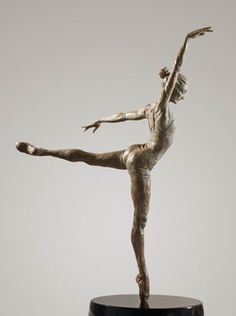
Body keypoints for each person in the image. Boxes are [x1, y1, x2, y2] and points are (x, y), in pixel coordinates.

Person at [16, 27, 212, 305]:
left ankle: (42, 151)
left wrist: (101, 120)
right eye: (181, 90)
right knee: (140, 223)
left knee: (90, 157)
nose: (182, 95)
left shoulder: (149, 108)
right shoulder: (163, 107)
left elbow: (124, 115)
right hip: (142, 163)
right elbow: (177, 66)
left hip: (133, 152)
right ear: (175, 88)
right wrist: (186, 40)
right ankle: (143, 275)